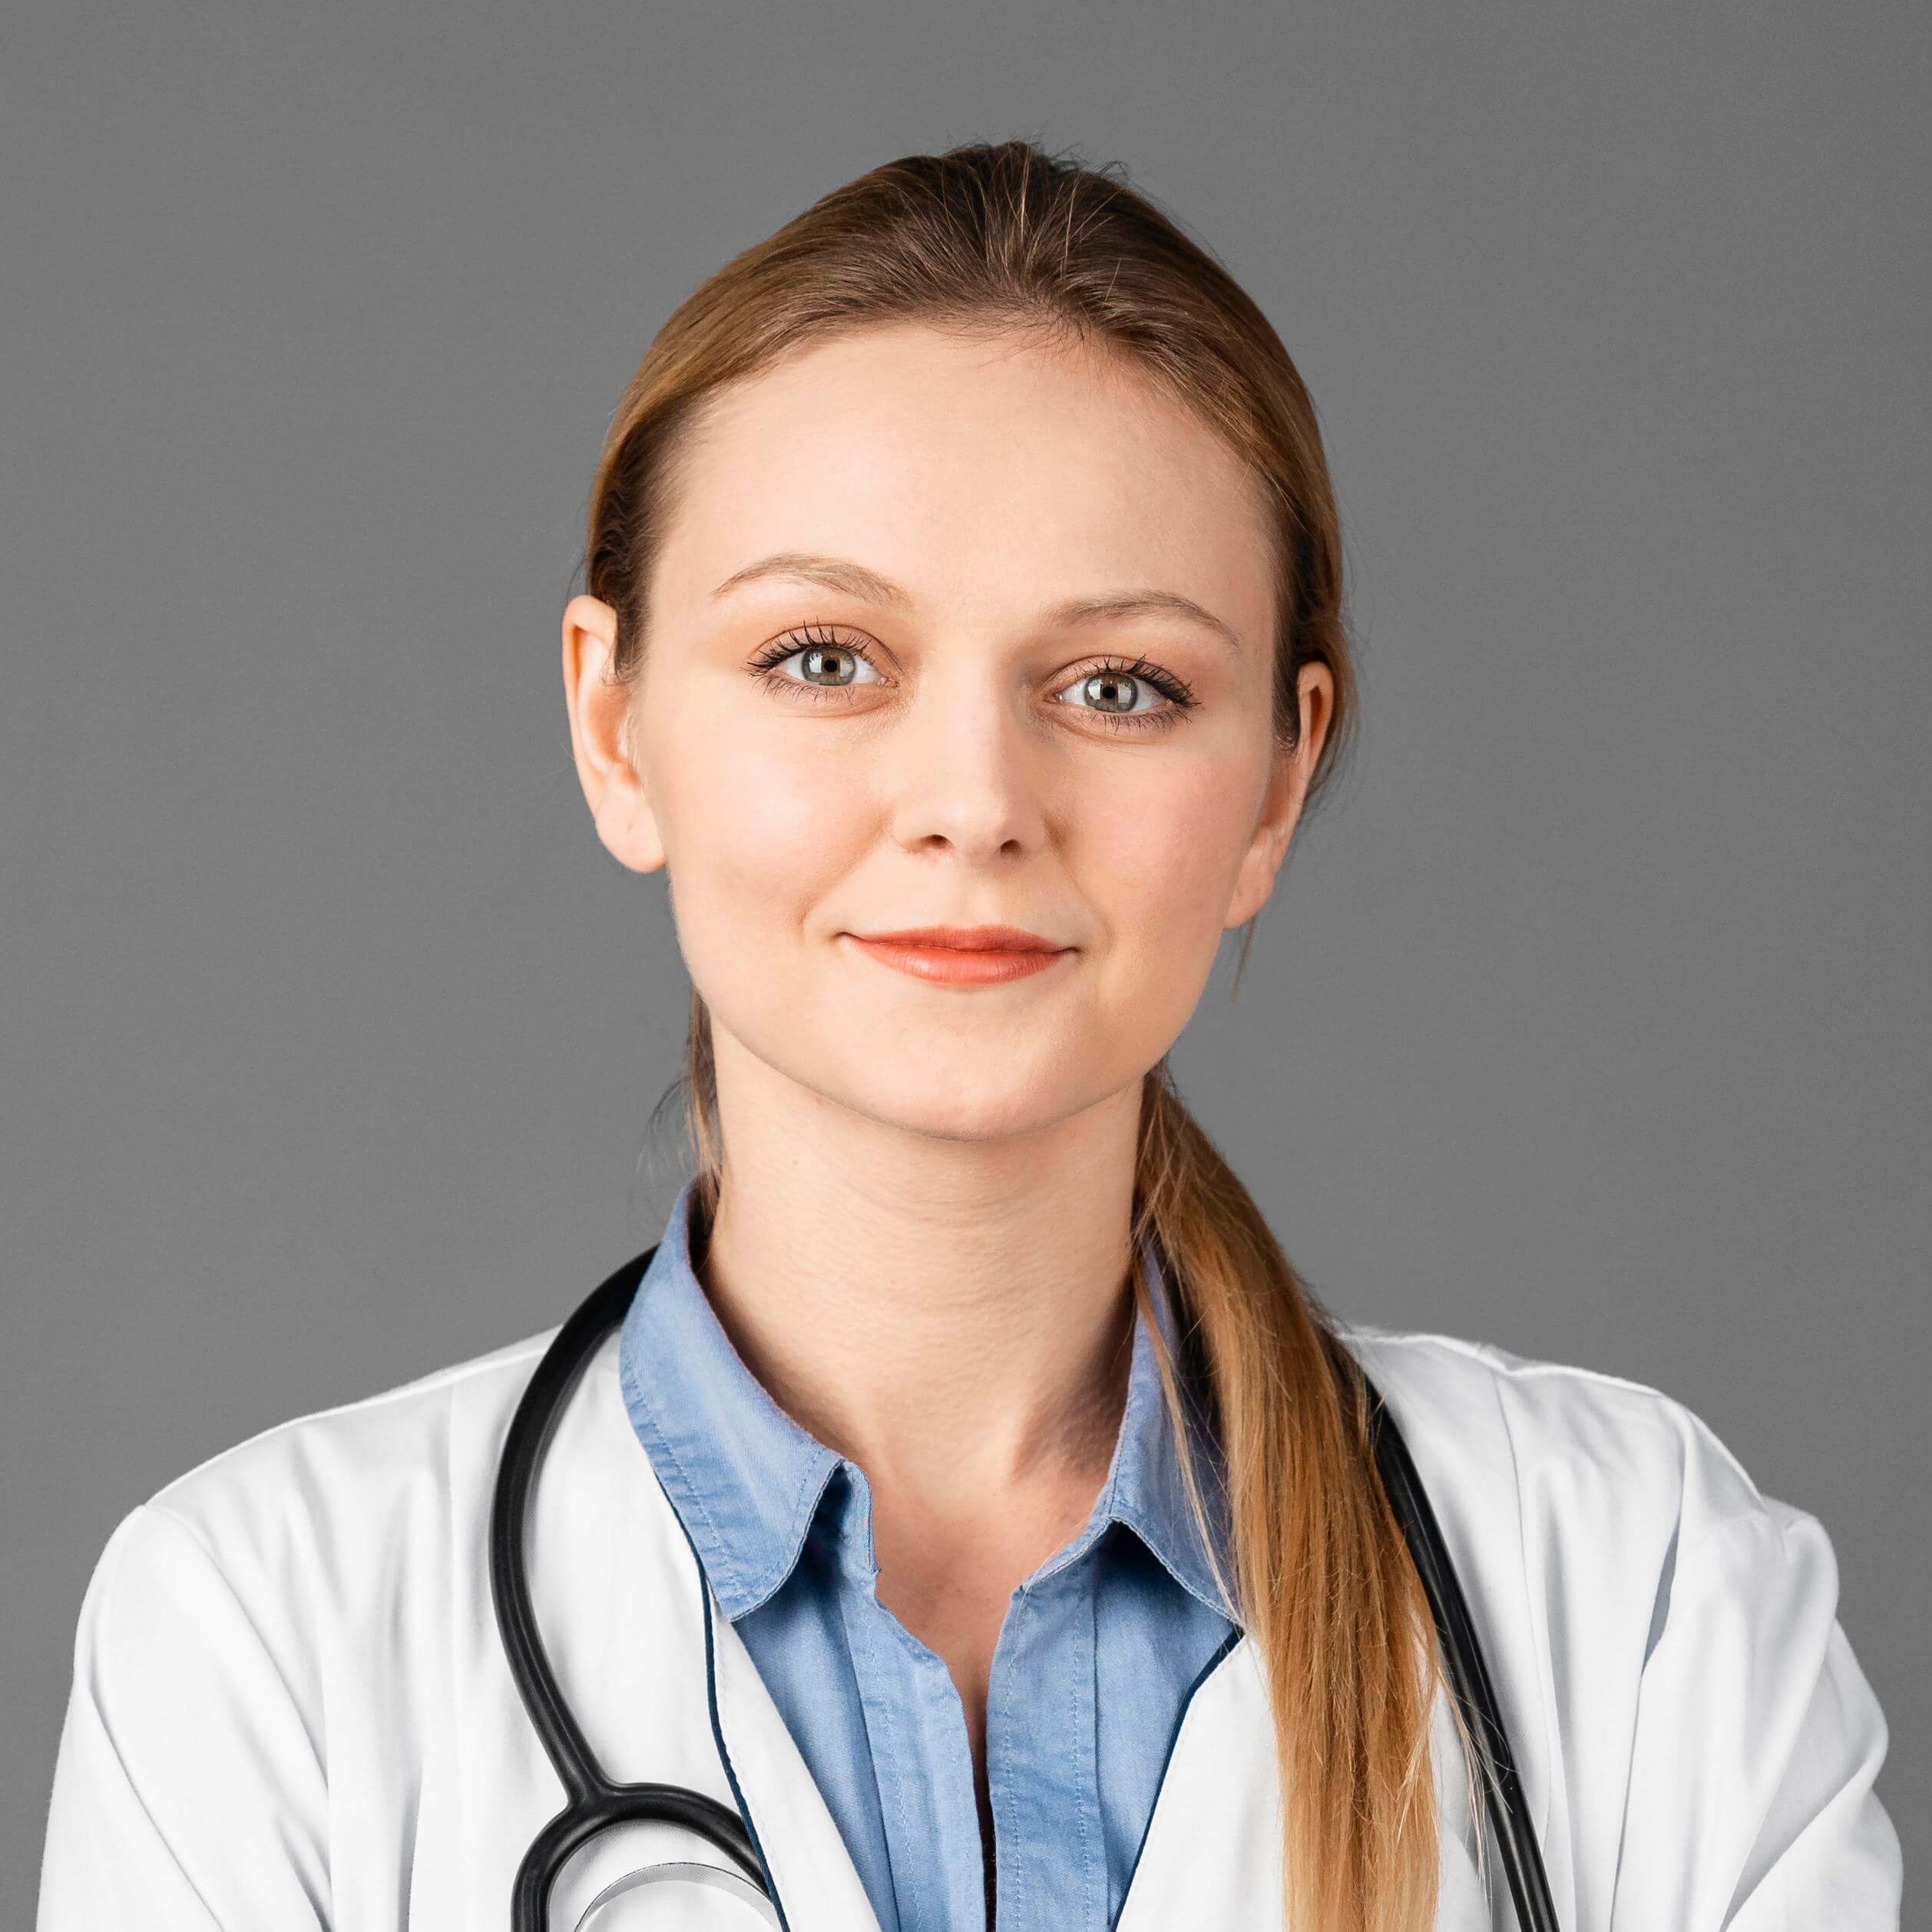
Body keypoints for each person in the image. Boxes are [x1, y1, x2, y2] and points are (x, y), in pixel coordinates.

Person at [37, 140, 1901, 1932]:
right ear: (615, 729)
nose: (972, 801)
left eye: (1118, 686)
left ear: (1275, 781)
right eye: (824, 658)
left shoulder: (1641, 1597)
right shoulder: (259, 1635)